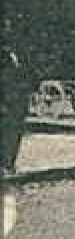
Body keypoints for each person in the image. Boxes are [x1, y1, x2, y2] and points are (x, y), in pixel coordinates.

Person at [1, 45, 32, 176]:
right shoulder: (6, 59)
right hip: (8, 103)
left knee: (14, 133)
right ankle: (6, 165)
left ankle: (9, 165)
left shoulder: (19, 58)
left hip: (16, 102)